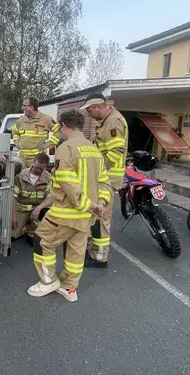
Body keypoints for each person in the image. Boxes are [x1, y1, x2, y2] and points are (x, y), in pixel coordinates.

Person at [28, 109, 112, 303]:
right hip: (86, 216)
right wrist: (100, 203)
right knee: (76, 250)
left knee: (41, 240)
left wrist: (86, 204)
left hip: (66, 213)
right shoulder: (94, 149)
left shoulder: (66, 148)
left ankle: (48, 282)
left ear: (64, 125)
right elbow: (104, 181)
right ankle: (69, 288)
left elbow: (67, 181)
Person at [80, 92, 128, 268]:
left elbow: (116, 152)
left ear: (98, 106)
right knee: (97, 217)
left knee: (101, 219)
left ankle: (99, 257)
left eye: (90, 110)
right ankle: (95, 251)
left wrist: (99, 172)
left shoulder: (113, 122)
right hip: (105, 178)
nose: (89, 114)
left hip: (107, 179)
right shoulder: (107, 120)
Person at [12, 152, 54, 245]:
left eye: (41, 169)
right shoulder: (21, 176)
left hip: (37, 211)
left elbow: (51, 197)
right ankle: (25, 228)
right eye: (37, 167)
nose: (38, 170)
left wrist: (39, 208)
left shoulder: (48, 178)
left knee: (38, 239)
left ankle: (32, 230)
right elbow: (13, 197)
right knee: (13, 235)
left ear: (46, 167)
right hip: (22, 209)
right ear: (34, 162)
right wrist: (13, 217)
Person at [10, 96, 61, 171]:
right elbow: (14, 130)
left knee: (35, 180)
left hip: (37, 160)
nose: (22, 107)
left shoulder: (46, 119)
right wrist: (17, 142)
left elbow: (59, 132)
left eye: (24, 105)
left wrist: (47, 145)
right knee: (21, 180)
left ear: (32, 106)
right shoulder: (22, 120)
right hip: (22, 159)